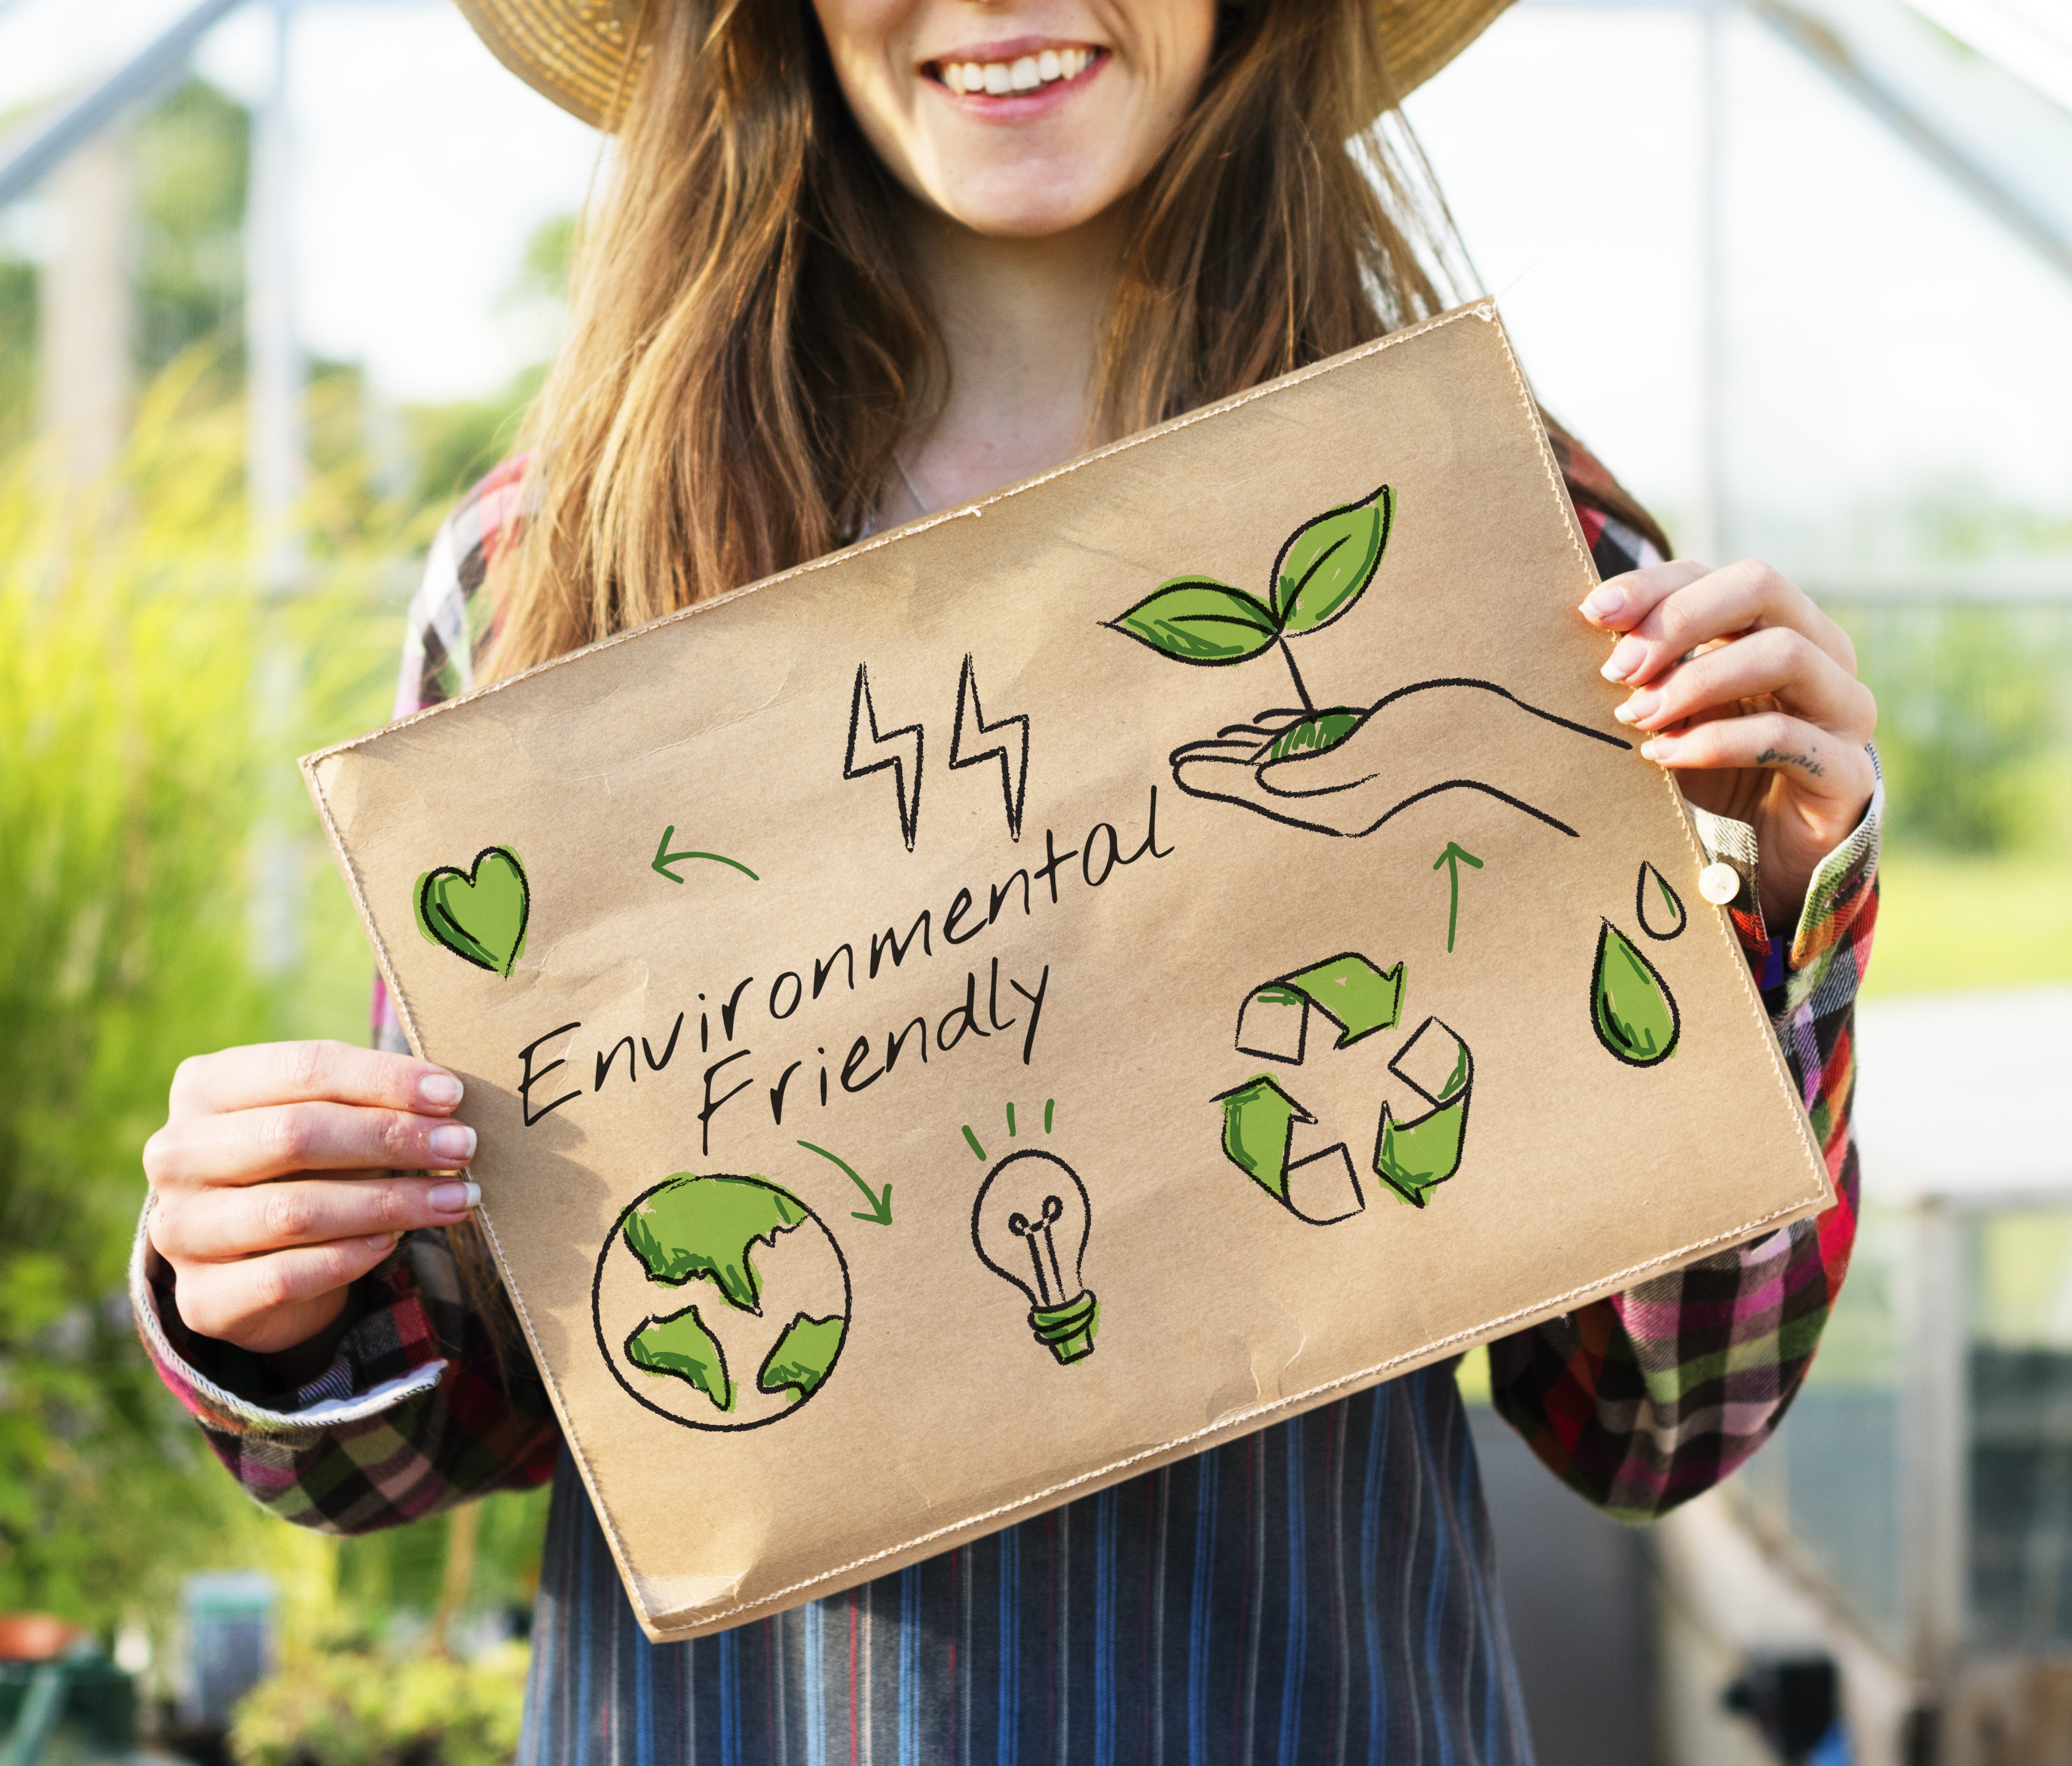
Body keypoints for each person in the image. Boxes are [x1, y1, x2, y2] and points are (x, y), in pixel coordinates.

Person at [136, 2, 1881, 1759]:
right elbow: (497, 1395)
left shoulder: (1514, 549)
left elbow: (1652, 1421)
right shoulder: (549, 569)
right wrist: (278, 1284)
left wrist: (1775, 922)